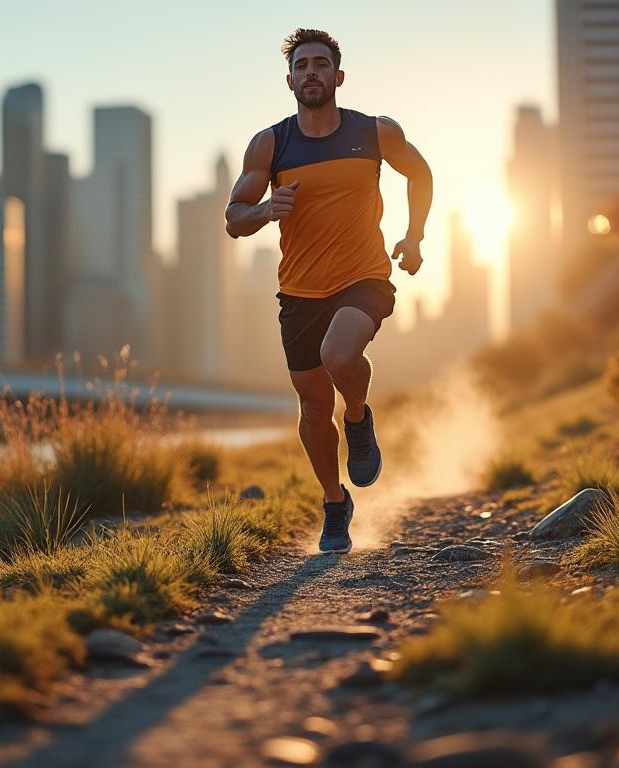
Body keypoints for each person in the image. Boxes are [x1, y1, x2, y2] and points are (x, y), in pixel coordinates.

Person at [225, 28, 433, 554]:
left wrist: (413, 235)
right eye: (302, 65)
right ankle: (334, 503)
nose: (312, 71)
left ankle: (359, 417)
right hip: (298, 293)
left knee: (339, 355)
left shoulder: (375, 132)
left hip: (364, 276)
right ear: (290, 80)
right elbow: (233, 218)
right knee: (314, 408)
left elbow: (420, 172)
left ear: (338, 77)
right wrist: (263, 212)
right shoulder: (270, 144)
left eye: (321, 63)